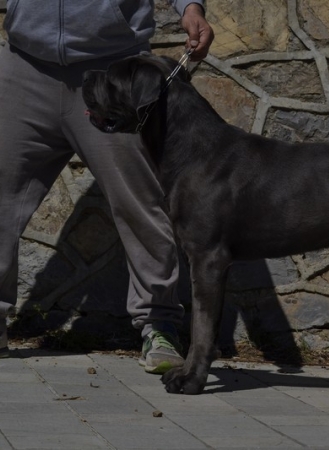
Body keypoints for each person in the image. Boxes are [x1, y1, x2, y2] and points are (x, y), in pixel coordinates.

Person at [0, 0, 214, 374]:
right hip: (24, 66)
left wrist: (191, 7)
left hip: (115, 71)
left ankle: (159, 325)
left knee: (141, 204)